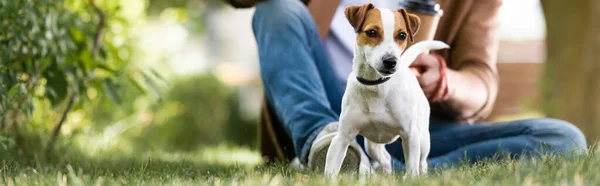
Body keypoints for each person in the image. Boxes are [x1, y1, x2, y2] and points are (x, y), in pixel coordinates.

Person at [228, 0, 588, 172]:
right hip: (334, 108)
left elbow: (481, 82)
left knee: (563, 138)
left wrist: (445, 83)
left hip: (417, 124)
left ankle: (386, 171)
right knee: (276, 10)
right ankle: (321, 146)